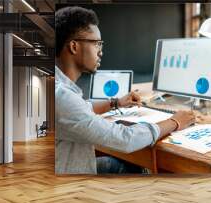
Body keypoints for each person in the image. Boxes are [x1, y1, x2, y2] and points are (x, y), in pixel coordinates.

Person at [55, 6, 195, 174]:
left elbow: (81, 109)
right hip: (73, 181)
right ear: (74, 46)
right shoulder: (61, 97)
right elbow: (124, 139)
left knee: (124, 165)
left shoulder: (60, 88)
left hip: (72, 164)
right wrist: (175, 121)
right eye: (97, 43)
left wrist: (116, 103)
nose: (101, 51)